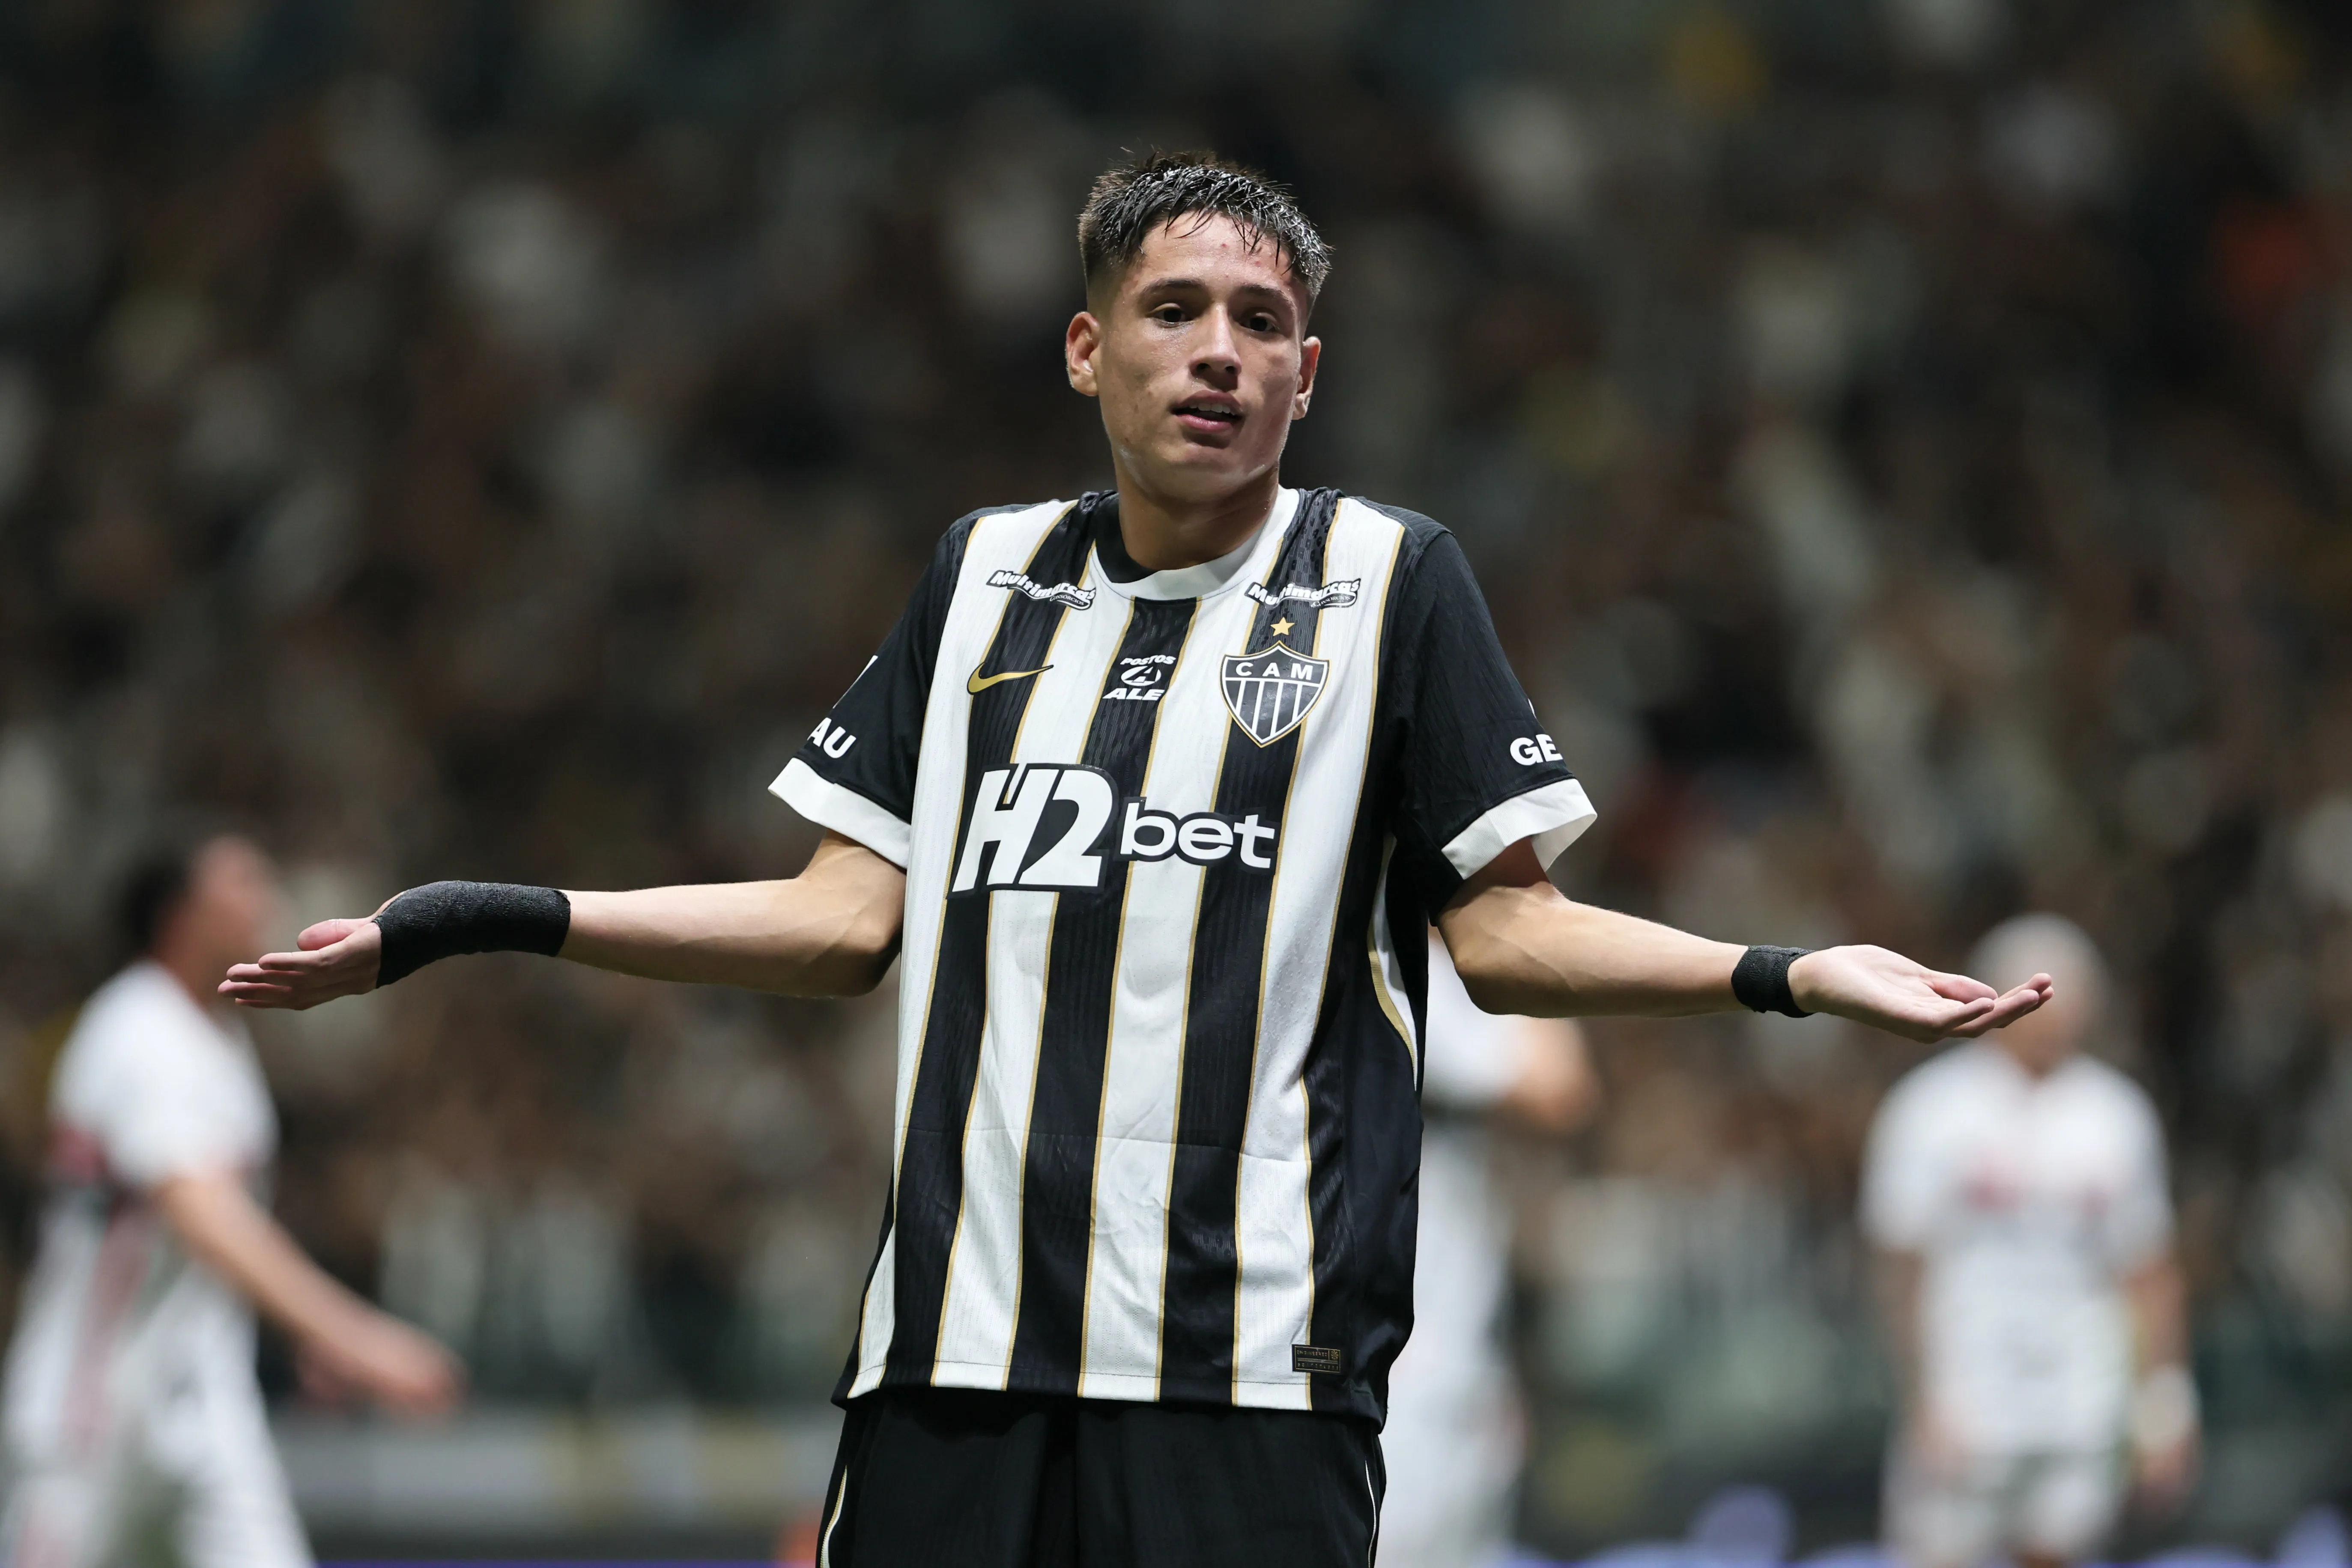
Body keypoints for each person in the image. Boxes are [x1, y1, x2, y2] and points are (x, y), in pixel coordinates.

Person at [222, 152, 2051, 1568]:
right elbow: (840, 918)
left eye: (1260, 324)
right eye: (1173, 312)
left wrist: (1792, 971)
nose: (1218, 354)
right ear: (1089, 347)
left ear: (1308, 372)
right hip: (954, 1362)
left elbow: (1505, 936)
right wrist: (483, 919)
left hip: (1249, 1370)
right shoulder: (981, 575)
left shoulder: (1389, 585)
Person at [1, 832, 463, 1568]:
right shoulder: (137, 1029)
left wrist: (301, 1334)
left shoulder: (217, 1035)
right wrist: (351, 1335)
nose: (268, 902)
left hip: (205, 1405)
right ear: (179, 916)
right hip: (93, 1411)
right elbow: (206, 1219)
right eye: (242, 885)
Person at [1864, 914, 2196, 1568]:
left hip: (2081, 1396)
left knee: (2057, 1552)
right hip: (1969, 1390)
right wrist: (1920, 1395)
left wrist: (2164, 1407)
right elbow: (1903, 1266)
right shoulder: (1932, 1109)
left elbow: (2148, 1271)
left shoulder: (2116, 1113)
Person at [1377, 933, 1598, 1568]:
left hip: (1444, 1350)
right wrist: (1502, 929)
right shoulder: (1391, 959)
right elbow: (1558, 1085)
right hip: (1405, 1367)